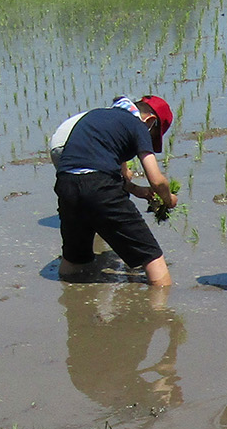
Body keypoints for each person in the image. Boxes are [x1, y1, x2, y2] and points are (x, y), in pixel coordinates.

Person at [51, 96, 178, 287]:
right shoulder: (138, 126)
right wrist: (168, 199)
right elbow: (156, 179)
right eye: (153, 137)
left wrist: (135, 190)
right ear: (150, 121)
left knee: (74, 259)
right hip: (100, 187)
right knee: (152, 256)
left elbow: (96, 164)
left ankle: (72, 303)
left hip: (66, 184)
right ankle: (160, 312)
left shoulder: (98, 116)